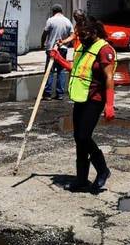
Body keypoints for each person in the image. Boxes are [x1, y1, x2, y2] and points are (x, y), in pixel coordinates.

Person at [49, 19, 116, 193]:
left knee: (84, 136)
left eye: (84, 34)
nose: (81, 37)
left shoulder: (104, 50)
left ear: (94, 32)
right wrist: (59, 59)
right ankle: (81, 179)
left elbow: (109, 78)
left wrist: (110, 105)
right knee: (78, 138)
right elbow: (75, 69)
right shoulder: (81, 47)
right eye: (79, 34)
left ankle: (102, 170)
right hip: (80, 96)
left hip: (95, 98)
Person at [41, 4, 73, 101]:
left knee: (50, 71)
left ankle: (47, 94)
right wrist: (64, 42)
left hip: (51, 49)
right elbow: (72, 35)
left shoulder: (51, 20)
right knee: (61, 70)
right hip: (62, 48)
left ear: (53, 11)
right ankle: (60, 94)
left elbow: (45, 33)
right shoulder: (67, 21)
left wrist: (42, 43)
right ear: (61, 11)